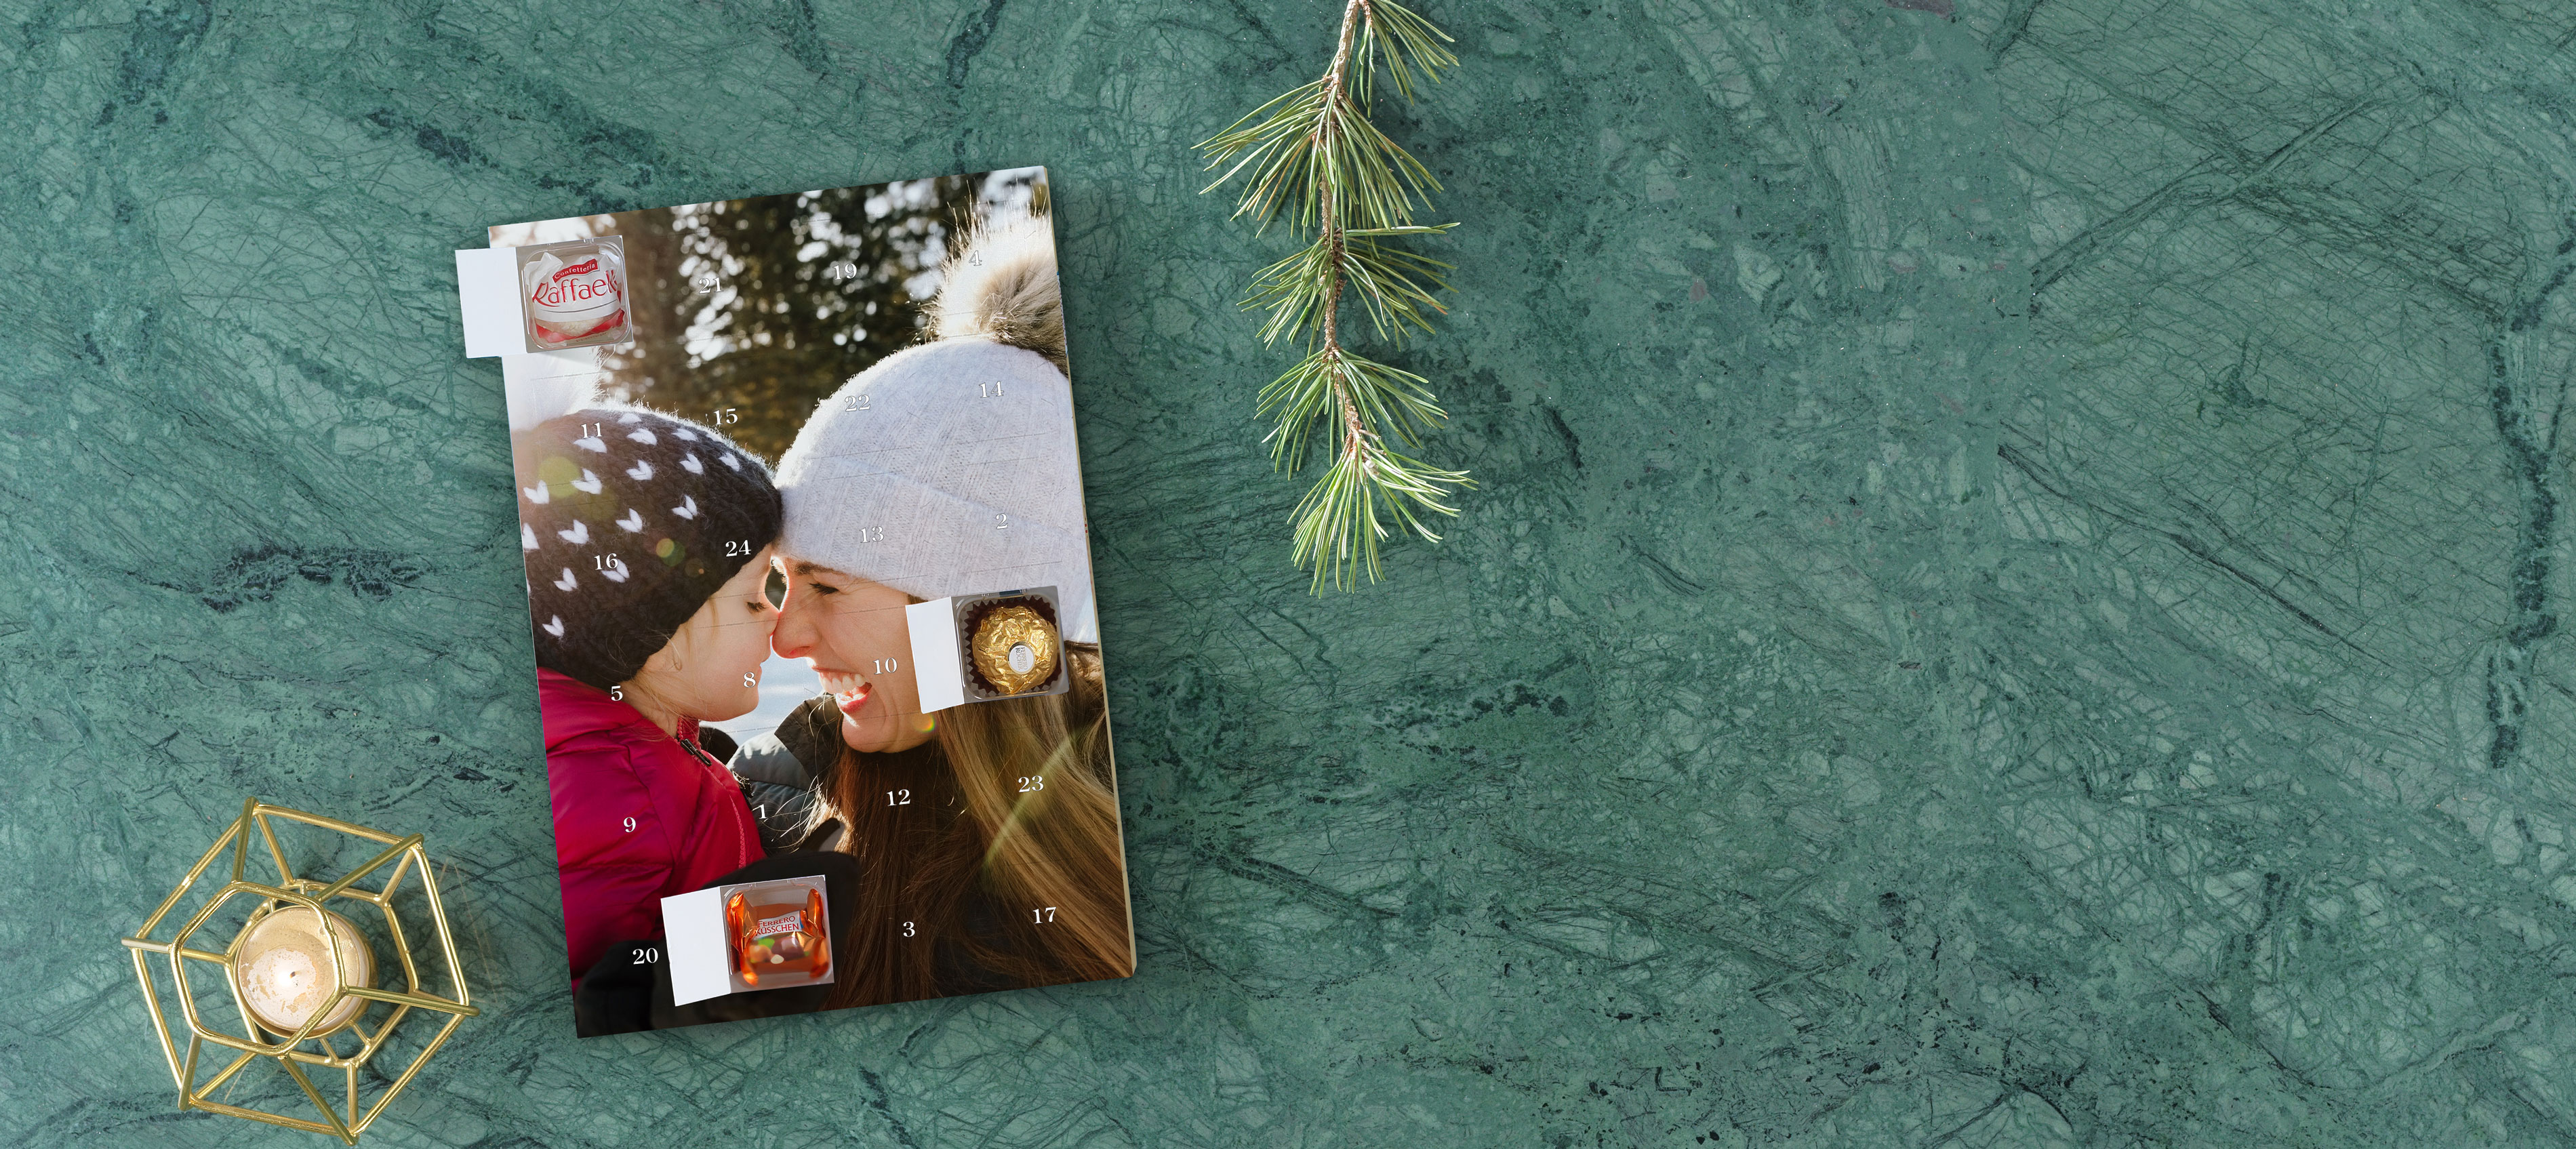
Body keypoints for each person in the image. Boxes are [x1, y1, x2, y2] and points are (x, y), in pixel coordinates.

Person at [731, 212, 1135, 1007]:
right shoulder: (784, 780)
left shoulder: (1070, 907)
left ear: (983, 615)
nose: (785, 637)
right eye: (782, 581)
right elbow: (640, 990)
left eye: (829, 586)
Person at [510, 405, 784, 983]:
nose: (777, 617)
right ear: (657, 636)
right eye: (754, 599)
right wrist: (798, 935)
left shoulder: (630, 757)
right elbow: (607, 995)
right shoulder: (614, 795)